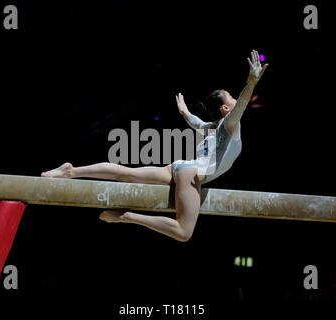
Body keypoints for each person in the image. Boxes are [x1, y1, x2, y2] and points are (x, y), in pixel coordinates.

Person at [41, 50, 268, 242]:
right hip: (192, 174)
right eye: (230, 97)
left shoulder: (213, 128)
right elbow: (242, 105)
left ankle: (71, 171)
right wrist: (251, 82)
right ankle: (128, 217)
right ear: (225, 110)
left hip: (181, 167)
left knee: (126, 174)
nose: (234, 101)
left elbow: (193, 120)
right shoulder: (229, 124)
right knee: (183, 232)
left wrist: (184, 111)